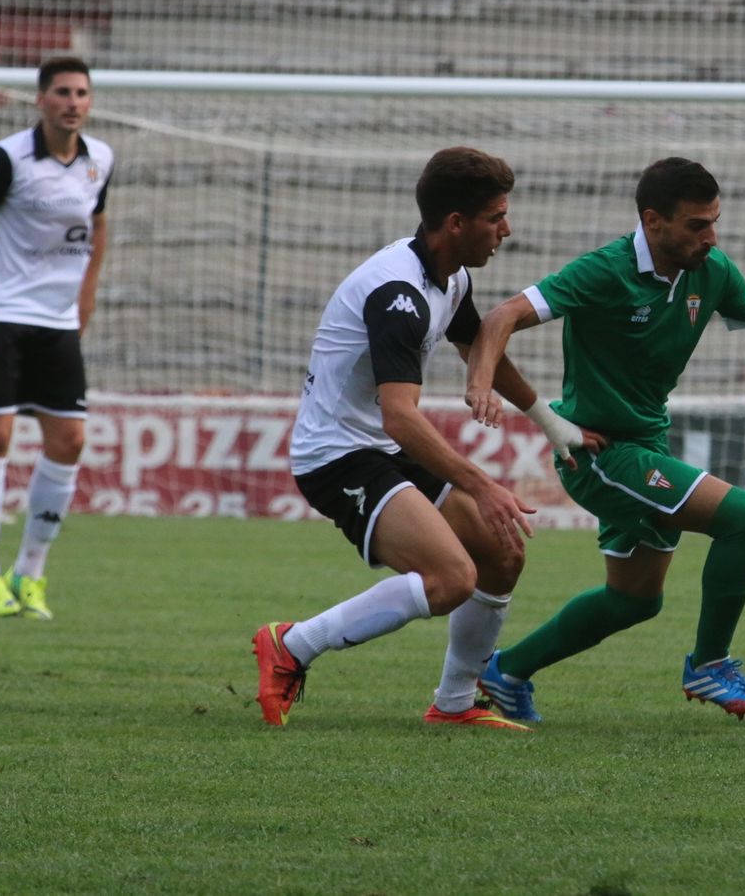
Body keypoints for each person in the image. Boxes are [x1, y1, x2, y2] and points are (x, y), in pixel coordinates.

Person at [462, 156, 745, 721]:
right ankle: (709, 664)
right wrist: (481, 383)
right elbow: (501, 316)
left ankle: (507, 671)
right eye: (697, 225)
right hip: (598, 453)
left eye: (714, 221)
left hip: (647, 446)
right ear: (653, 221)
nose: (711, 236)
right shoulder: (605, 269)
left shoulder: (713, 271)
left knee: (633, 599)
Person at [252, 147, 603, 730]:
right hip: (336, 457)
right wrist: (482, 483)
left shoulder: (451, 275)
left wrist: (548, 419)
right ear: (457, 224)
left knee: (503, 553)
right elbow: (400, 417)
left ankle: (455, 704)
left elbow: (477, 349)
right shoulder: (398, 297)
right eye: (496, 217)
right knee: (451, 579)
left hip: (380, 449)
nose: (506, 230)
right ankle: (291, 645)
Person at [0, 57, 112, 620]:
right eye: (62, 92)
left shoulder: (99, 158)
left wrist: (86, 294)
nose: (73, 101)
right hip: (1, 313)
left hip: (56, 320)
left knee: (70, 442)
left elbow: (98, 224)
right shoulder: (4, 159)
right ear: (41, 100)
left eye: (81, 92)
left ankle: (30, 572)